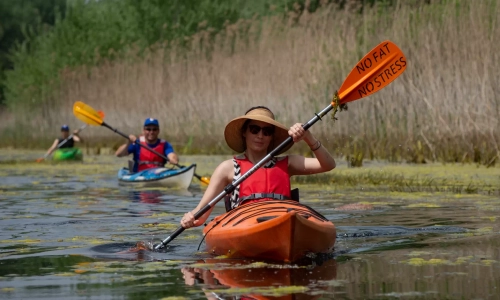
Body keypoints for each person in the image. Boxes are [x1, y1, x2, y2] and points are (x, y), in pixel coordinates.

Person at [180, 106, 336, 229]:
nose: (260, 136)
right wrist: (189, 218)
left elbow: (328, 165)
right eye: (254, 129)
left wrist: (308, 137)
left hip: (284, 220)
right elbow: (201, 215)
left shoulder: (288, 163)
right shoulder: (228, 168)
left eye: (267, 131)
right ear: (244, 133)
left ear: (272, 137)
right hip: (244, 224)